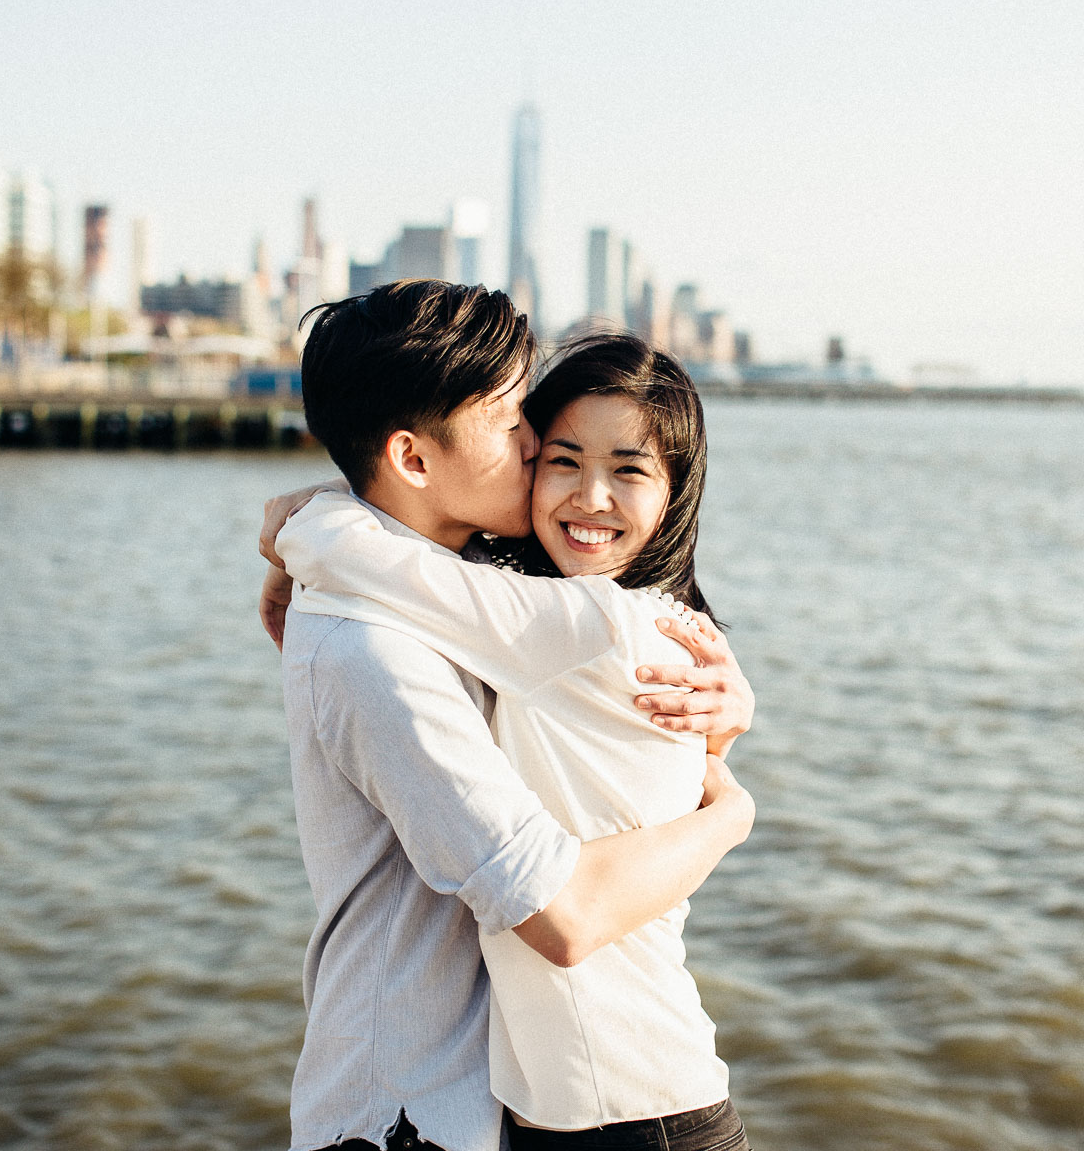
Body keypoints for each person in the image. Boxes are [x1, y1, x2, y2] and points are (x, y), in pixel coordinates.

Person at [259, 282, 756, 1151]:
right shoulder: (387, 648)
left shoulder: (552, 614)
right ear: (415, 459)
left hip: (593, 1110)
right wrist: (735, 816)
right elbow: (559, 917)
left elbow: (386, 559)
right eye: (518, 426)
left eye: (630, 469)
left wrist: (306, 528)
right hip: (404, 1116)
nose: (533, 448)